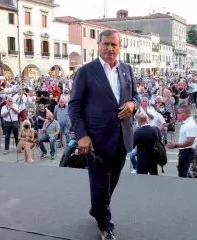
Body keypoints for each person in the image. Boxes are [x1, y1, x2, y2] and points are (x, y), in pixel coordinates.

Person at [68, 29, 139, 240]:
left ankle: (97, 208)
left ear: (119, 47)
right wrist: (82, 135)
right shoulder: (86, 71)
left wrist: (132, 105)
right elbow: (74, 106)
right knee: (99, 182)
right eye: (106, 44)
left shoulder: (126, 69)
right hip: (96, 139)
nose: (110, 48)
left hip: (122, 136)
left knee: (112, 181)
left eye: (114, 45)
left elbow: (135, 96)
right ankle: (105, 224)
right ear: (98, 46)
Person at [166, 104, 197, 178]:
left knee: (182, 173)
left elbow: (190, 142)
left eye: (179, 113)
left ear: (185, 113)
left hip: (187, 152)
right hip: (184, 151)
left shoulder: (190, 125)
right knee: (183, 170)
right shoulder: (186, 123)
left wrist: (175, 145)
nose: (178, 115)